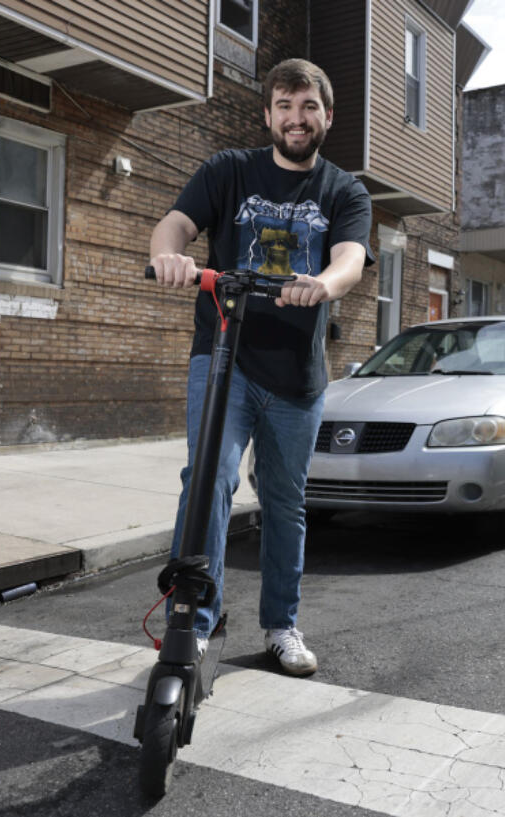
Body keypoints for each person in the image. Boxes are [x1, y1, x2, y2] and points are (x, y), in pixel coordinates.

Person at [147, 59, 372, 677]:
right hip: (225, 359)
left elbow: (350, 258)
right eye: (284, 106)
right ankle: (193, 618)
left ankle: (281, 625)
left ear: (328, 116)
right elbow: (174, 225)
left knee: (284, 500)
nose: (295, 119)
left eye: (308, 108)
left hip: (297, 376)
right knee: (210, 477)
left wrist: (324, 284)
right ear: (268, 113)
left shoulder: (343, 191)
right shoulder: (228, 171)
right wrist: (169, 256)